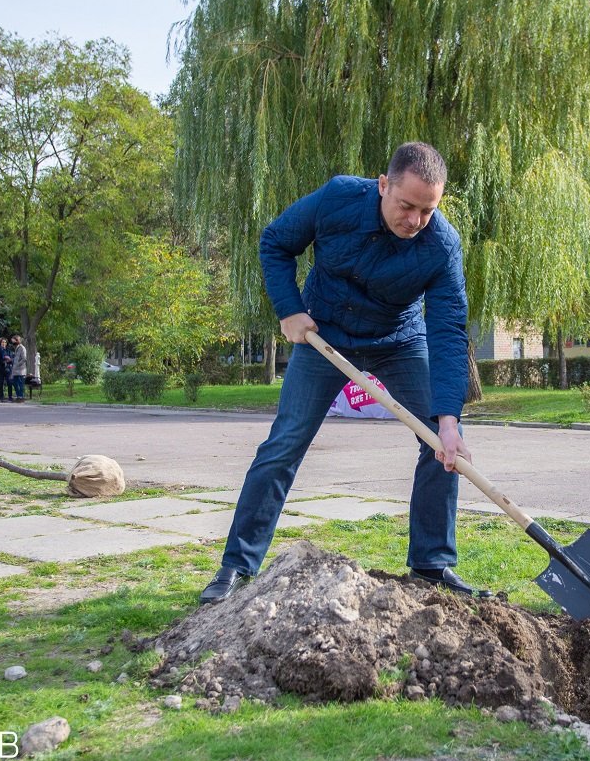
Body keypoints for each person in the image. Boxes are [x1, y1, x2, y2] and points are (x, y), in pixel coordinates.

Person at [199, 142, 480, 604]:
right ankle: (236, 567)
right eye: (406, 206)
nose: (414, 221)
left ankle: (432, 565)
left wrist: (448, 418)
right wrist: (290, 310)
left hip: (399, 342)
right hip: (324, 336)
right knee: (283, 444)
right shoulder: (337, 199)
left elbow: (448, 329)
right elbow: (276, 242)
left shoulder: (442, 245)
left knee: (441, 445)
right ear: (382, 185)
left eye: (427, 211)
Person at [10, 335, 28, 402]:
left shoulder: (22, 348)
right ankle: (18, 396)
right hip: (15, 371)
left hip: (21, 370)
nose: (12, 342)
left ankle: (21, 397)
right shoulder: (16, 348)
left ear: (17, 340)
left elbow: (24, 359)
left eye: (13, 340)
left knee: (20, 384)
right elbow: (17, 358)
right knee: (15, 383)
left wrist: (17, 365)